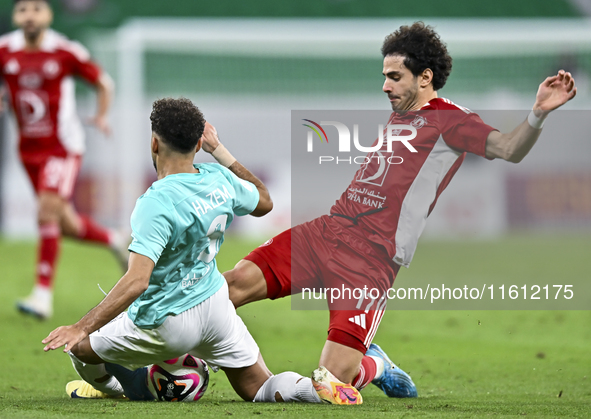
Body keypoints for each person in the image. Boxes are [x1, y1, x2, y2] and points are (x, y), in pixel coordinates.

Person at [222, 21, 577, 401]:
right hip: (326, 231)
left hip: (369, 261)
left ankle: (377, 365)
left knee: (329, 385)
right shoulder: (402, 114)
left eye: (394, 77)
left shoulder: (452, 120)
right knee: (226, 289)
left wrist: (538, 113)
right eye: (384, 76)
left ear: (425, 77)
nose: (385, 86)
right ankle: (184, 356)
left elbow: (509, 149)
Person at [41, 98, 358, 405]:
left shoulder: (155, 202)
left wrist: (80, 326)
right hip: (216, 308)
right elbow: (264, 201)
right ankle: (315, 389)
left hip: (167, 323)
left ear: (154, 143)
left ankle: (115, 388)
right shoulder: (220, 179)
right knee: (258, 386)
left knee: (79, 346)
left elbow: (138, 280)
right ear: (197, 145)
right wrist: (219, 150)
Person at [0, 0, 126, 320]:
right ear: (15, 16)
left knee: (46, 210)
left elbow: (103, 82)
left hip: (62, 147)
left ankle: (42, 294)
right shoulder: (5, 49)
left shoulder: (65, 50)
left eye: (36, 9)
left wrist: (100, 116)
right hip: (28, 149)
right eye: (23, 9)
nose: (29, 15)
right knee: (65, 223)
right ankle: (116, 240)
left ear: (48, 15)